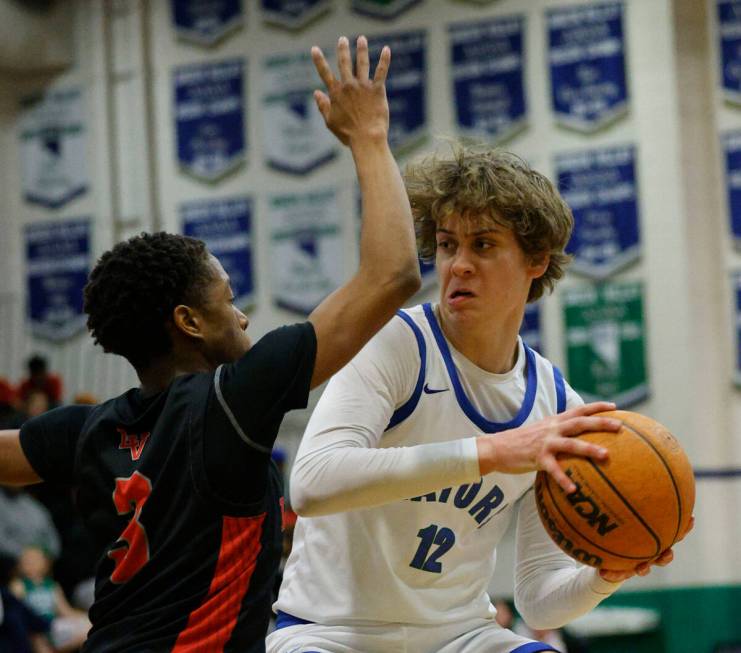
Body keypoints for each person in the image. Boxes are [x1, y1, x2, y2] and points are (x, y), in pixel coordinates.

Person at [0, 35, 420, 652]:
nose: (244, 314)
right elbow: (394, 274)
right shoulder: (234, 401)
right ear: (189, 322)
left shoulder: (87, 432)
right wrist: (370, 139)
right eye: (228, 298)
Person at [268, 145, 691, 653]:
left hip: (457, 636)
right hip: (330, 632)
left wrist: (609, 573)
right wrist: (489, 453)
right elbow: (311, 485)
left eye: (483, 245)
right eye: (448, 245)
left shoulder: (554, 405)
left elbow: (537, 601)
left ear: (537, 260)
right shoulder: (396, 343)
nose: (459, 265)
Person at [10, 546, 90, 652]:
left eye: (35, 559)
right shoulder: (18, 586)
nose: (30, 562)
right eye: (27, 559)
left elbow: (66, 611)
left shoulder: (52, 586)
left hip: (52, 626)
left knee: (89, 626)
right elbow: (17, 615)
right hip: (33, 628)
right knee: (38, 639)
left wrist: (88, 617)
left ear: (45, 563)